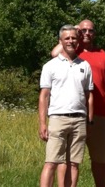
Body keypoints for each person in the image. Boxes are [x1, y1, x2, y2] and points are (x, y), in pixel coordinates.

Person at [52, 20, 105, 187]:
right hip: (73, 113)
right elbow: (54, 53)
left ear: (95, 33)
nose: (86, 33)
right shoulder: (71, 51)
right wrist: (75, 28)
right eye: (83, 30)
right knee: (68, 160)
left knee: (100, 159)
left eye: (90, 30)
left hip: (99, 114)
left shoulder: (103, 54)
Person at [39, 25, 94, 187]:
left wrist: (89, 121)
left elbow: (89, 96)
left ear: (78, 41)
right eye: (67, 38)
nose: (70, 41)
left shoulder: (85, 65)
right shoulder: (50, 66)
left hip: (79, 120)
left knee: (74, 164)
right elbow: (44, 96)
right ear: (60, 41)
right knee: (51, 163)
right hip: (57, 119)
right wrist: (42, 123)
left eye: (74, 38)